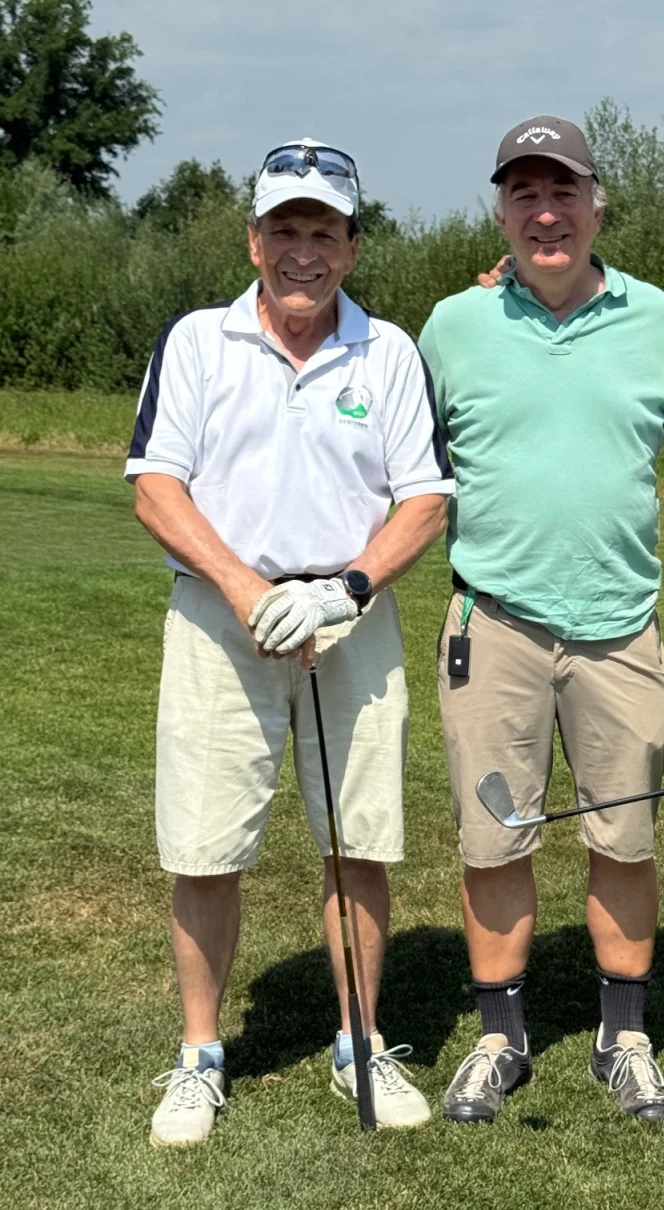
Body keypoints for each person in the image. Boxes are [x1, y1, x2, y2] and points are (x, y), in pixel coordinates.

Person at [127, 138, 453, 1146]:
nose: (302, 250)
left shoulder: (388, 352)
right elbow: (156, 486)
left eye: (323, 231)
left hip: (352, 618)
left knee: (360, 841)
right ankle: (199, 1055)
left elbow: (424, 500)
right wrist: (248, 591)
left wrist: (341, 592)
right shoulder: (198, 341)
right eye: (284, 229)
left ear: (352, 246)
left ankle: (360, 1041)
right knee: (204, 845)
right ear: (254, 240)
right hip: (219, 618)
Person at [419, 115, 664, 1126]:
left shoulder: (654, 318)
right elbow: (398, 462)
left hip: (619, 629)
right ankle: (499, 1039)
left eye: (563, 191)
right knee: (493, 840)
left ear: (597, 204)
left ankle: (622, 1038)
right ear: (500, 213)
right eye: (525, 194)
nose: (546, 213)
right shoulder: (453, 325)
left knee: (623, 838)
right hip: (492, 625)